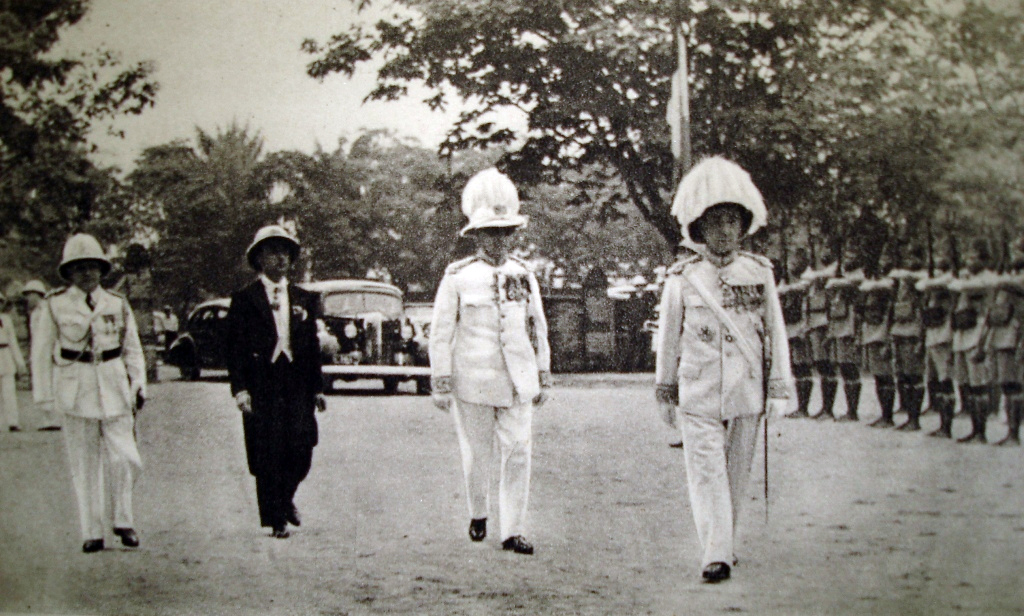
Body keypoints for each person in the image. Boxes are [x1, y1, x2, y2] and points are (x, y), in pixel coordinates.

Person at [654, 157, 792, 583]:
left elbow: (775, 331)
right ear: (700, 227)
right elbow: (669, 338)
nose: (726, 231)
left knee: (735, 474)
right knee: (706, 472)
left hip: (746, 388)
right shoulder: (682, 278)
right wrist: (665, 388)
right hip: (698, 390)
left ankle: (724, 543)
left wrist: (779, 388)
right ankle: (715, 553)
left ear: (743, 224)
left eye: (733, 221)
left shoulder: (760, 273)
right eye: (717, 222)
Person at [429, 168, 551, 556]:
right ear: (476, 235)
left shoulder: (524, 274)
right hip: (474, 380)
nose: (498, 241)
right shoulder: (458, 277)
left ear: (513, 234)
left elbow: (537, 326)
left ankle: (513, 530)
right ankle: (478, 511)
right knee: (477, 455)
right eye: (490, 233)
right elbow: (441, 332)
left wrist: (542, 374)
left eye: (505, 232)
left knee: (518, 451)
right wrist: (442, 379)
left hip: (517, 380)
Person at [31, 233, 146, 553]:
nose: (87, 273)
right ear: (68, 273)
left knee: (126, 458)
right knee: (84, 464)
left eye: (93, 266)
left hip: (113, 385)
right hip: (75, 386)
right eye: (78, 267)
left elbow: (132, 349)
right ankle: (92, 531)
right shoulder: (54, 305)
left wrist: (138, 383)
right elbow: (41, 353)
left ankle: (124, 520)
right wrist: (45, 397)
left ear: (102, 269)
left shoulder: (117, 303)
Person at [225, 224, 327, 539]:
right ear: (259, 259)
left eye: (285, 252)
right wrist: (240, 389)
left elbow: (310, 347)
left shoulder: (304, 298)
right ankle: (276, 517)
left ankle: (284, 499)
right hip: (262, 382)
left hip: (296, 381)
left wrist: (318, 387)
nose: (280, 259)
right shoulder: (244, 299)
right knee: (267, 451)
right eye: (272, 252)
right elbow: (234, 347)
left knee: (303, 447)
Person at [949, 242, 996, 443]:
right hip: (963, 335)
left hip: (978, 334)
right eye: (967, 258)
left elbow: (960, 286)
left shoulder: (987, 279)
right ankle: (975, 429)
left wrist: (959, 278)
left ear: (984, 260)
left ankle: (981, 432)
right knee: (967, 385)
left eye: (974, 258)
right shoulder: (970, 277)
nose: (969, 261)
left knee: (979, 386)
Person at [889, 253, 928, 431]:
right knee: (904, 377)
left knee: (914, 377)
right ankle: (909, 416)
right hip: (900, 334)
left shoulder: (918, 285)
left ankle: (915, 419)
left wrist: (921, 339)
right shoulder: (901, 285)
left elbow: (922, 315)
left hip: (913, 335)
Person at [917, 265, 957, 438]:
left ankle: (947, 427)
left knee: (945, 381)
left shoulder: (949, 284)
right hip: (932, 337)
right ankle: (942, 424)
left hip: (943, 337)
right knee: (936, 382)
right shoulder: (932, 289)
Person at [779, 249, 814, 419]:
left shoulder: (807, 279)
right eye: (790, 262)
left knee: (802, 365)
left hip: (801, 323)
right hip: (790, 324)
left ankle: (804, 407)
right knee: (796, 366)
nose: (792, 266)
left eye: (795, 262)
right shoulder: (788, 280)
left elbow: (801, 289)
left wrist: (785, 289)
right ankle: (800, 406)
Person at [22, 280, 61, 431]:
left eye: (29, 295)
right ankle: (46, 419)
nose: (27, 299)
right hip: (38, 352)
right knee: (40, 384)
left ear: (38, 294)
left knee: (51, 384)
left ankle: (55, 419)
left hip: (49, 352)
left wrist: (54, 352)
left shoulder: (48, 310)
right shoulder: (34, 314)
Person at [859, 275, 896, 427]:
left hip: (881, 339)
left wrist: (887, 342)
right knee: (879, 379)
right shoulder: (872, 296)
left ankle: (888, 417)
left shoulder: (886, 301)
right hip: (872, 338)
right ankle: (884, 415)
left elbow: (888, 322)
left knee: (885, 378)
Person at [0, 291, 28, 432]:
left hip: (5, 356)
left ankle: (13, 422)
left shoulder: (6, 319)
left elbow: (13, 342)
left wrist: (20, 363)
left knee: (9, 392)